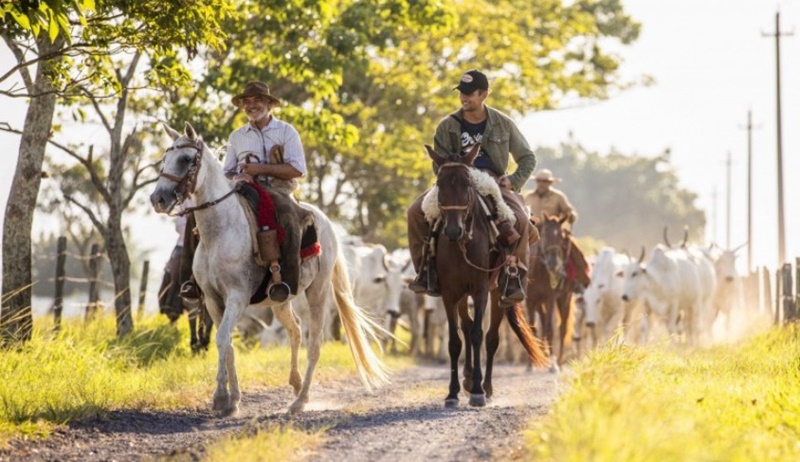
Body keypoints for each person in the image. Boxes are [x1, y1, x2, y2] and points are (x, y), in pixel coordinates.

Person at [406, 69, 538, 305]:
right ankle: (426, 271)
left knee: (520, 218)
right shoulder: (447, 125)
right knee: (415, 212)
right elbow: (439, 165)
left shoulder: (503, 124)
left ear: (484, 94)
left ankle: (512, 276)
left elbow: (528, 158)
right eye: (461, 94)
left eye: (469, 94)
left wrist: (514, 180)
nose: (464, 98)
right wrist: (451, 176)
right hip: (455, 181)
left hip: (492, 181)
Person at [524, 169, 590, 289]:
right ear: (536, 182)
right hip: (533, 231)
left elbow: (569, 211)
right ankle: (513, 280)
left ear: (550, 183)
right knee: (514, 250)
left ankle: (580, 279)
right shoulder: (528, 197)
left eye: (545, 181)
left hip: (554, 231)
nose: (542, 183)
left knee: (574, 251)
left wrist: (571, 216)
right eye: (539, 181)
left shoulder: (558, 196)